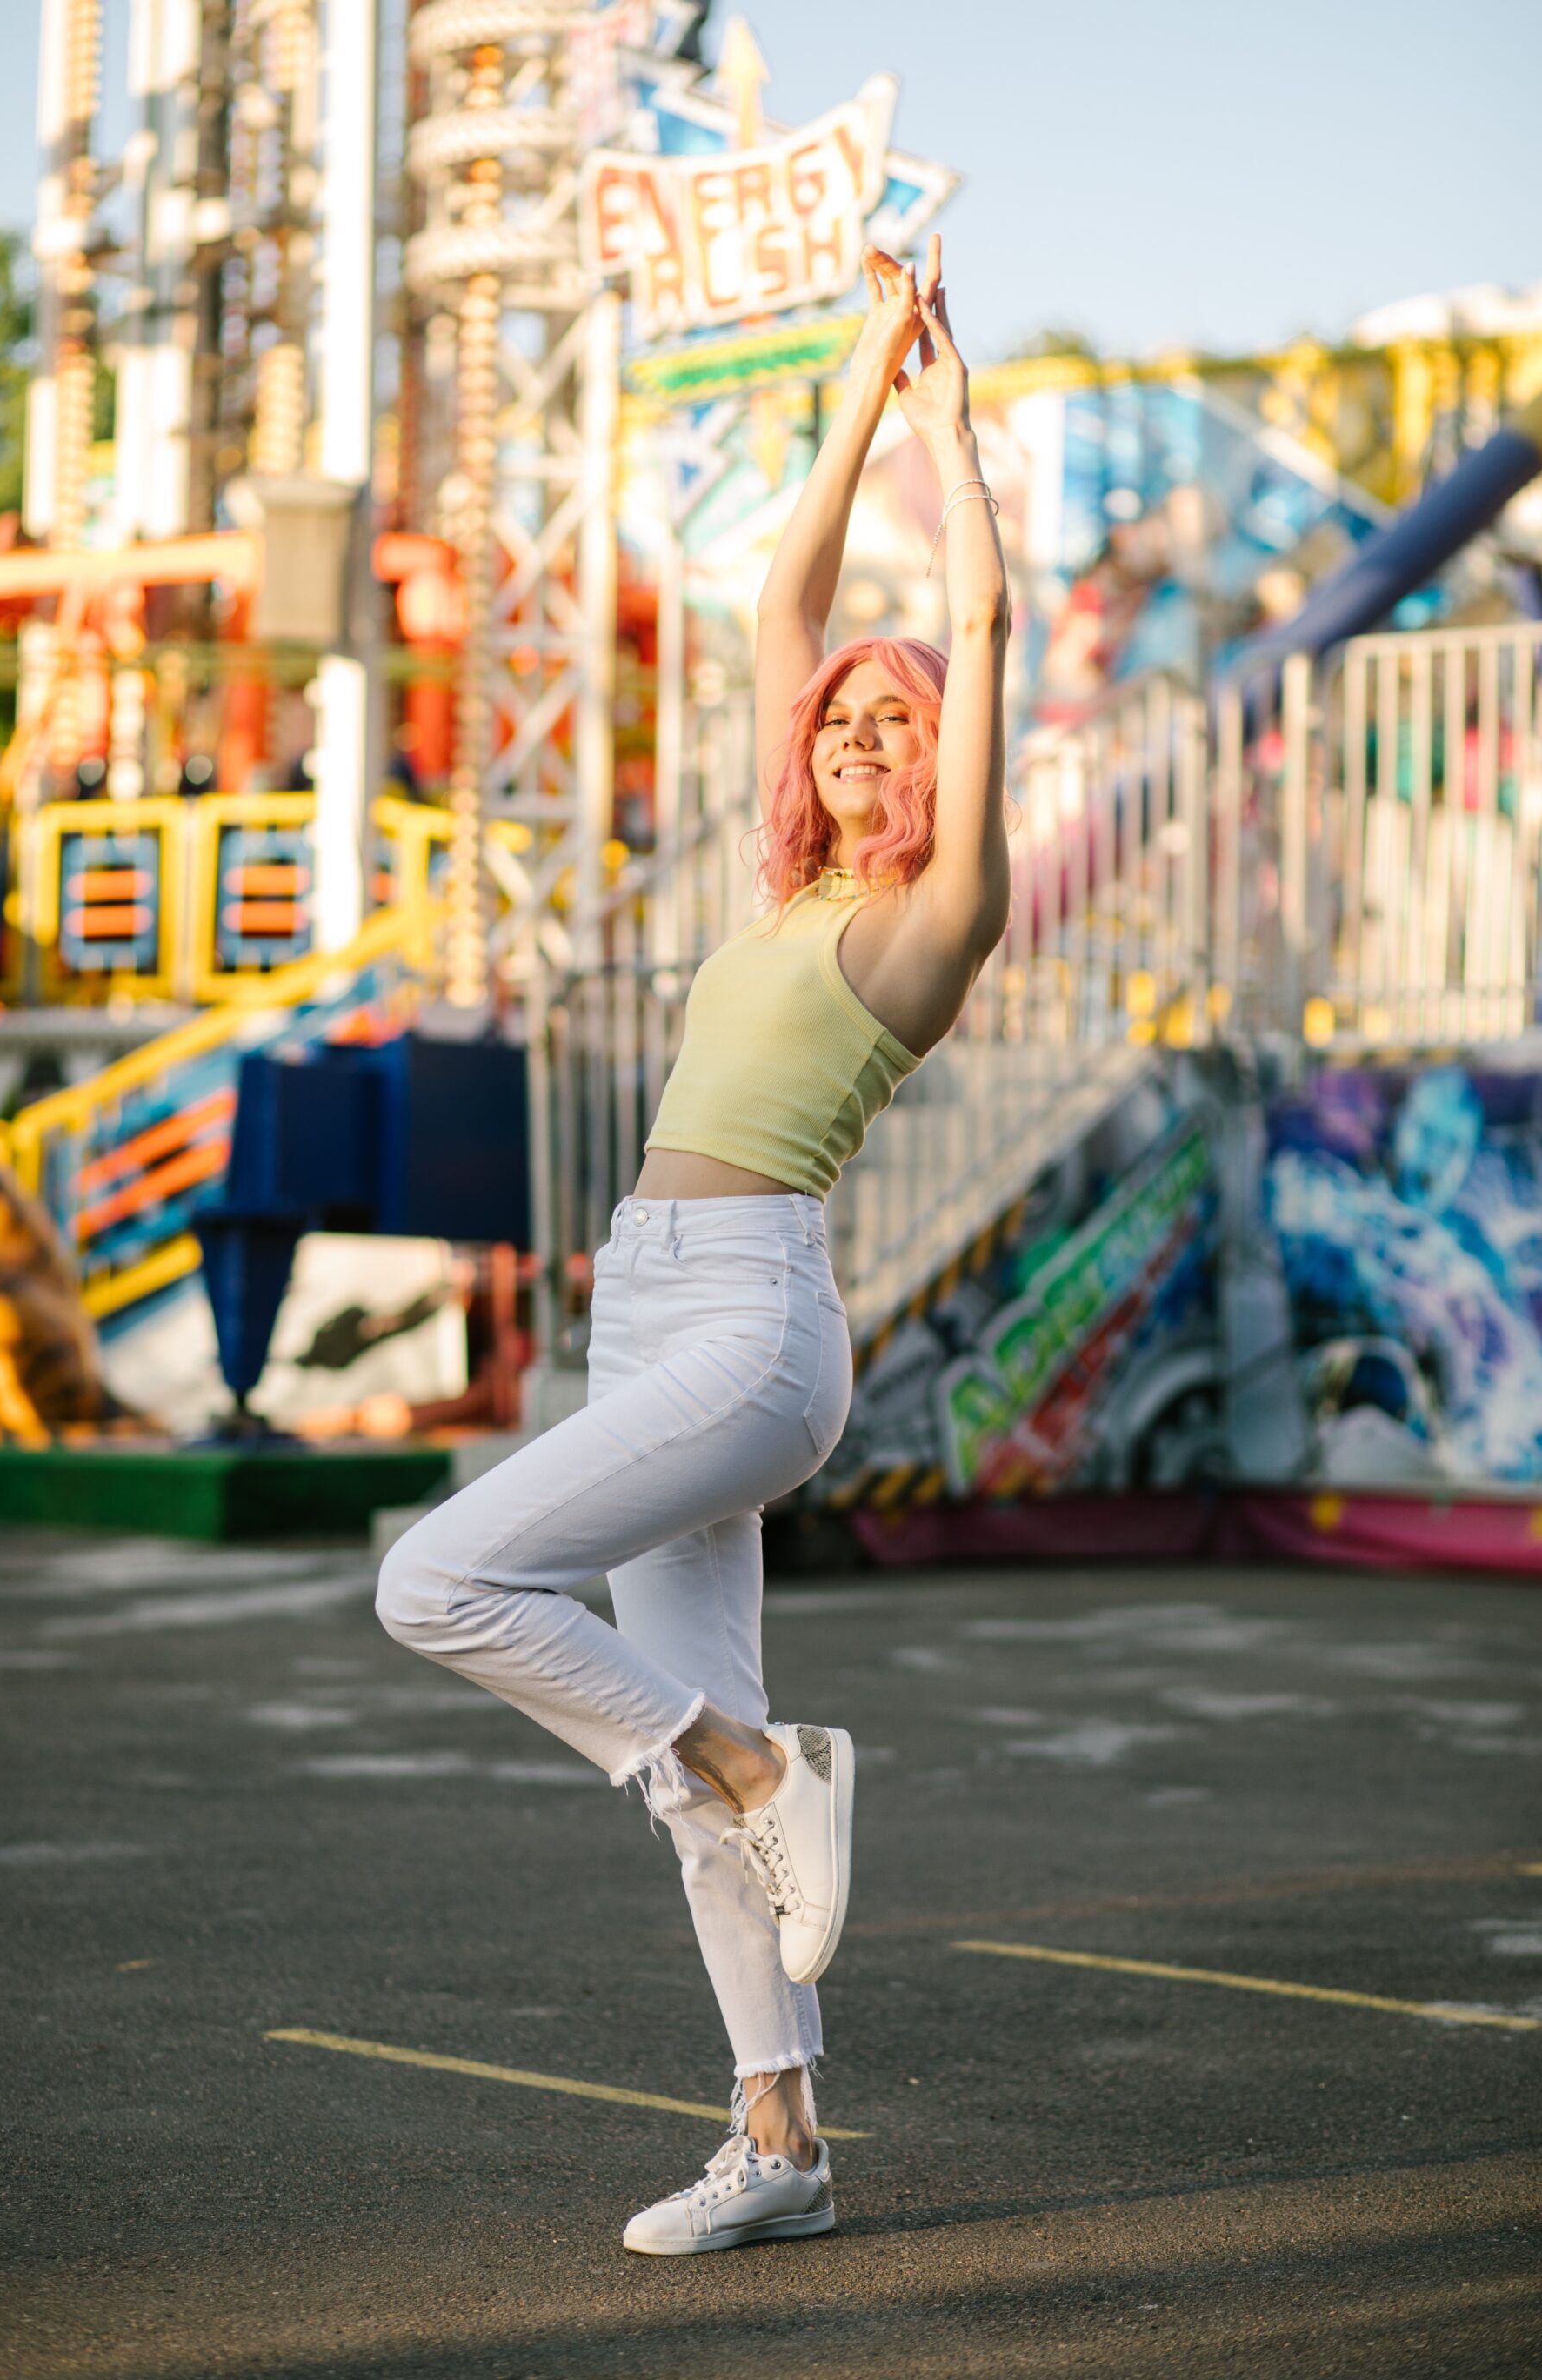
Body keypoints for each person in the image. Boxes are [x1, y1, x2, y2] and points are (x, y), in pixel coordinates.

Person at [376, 236, 1010, 2254]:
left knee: (439, 1577)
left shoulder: (924, 931)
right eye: (839, 720)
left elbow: (975, 622)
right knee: (674, 1782)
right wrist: (851, 389)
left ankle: (760, 1761)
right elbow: (780, 603)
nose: (854, 731)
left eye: (894, 726)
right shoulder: (772, 893)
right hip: (641, 1311)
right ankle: (785, 2145)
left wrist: (951, 448)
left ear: (931, 768)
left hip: (749, 1333)